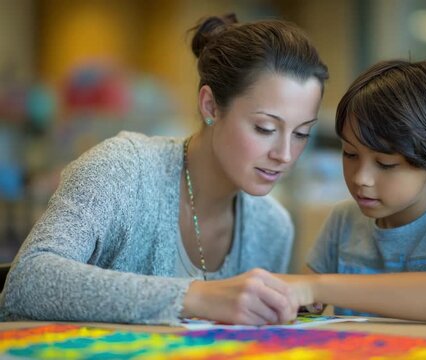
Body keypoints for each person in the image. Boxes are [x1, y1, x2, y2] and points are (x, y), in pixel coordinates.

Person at [0, 14, 328, 325]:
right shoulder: (123, 170)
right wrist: (195, 295)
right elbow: (27, 281)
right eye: (265, 128)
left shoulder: (272, 226)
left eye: (301, 134)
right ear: (210, 106)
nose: (285, 154)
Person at [282, 59, 426, 324]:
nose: (360, 178)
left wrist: (318, 286)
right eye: (350, 154)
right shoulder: (344, 221)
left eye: (385, 164)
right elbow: (300, 305)